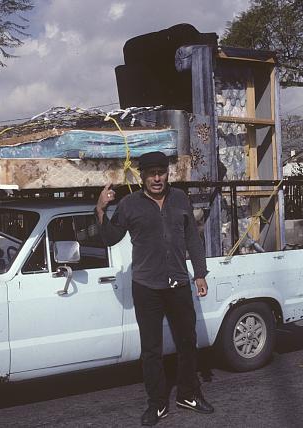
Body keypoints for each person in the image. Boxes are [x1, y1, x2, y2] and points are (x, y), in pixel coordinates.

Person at [95, 151, 214, 426]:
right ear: (142, 176)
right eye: (152, 174)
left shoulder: (180, 199)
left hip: (179, 283)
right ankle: (157, 404)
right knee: (151, 349)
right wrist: (101, 208)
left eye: (161, 172)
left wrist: (200, 274)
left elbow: (193, 240)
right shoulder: (129, 204)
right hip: (147, 286)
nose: (157, 178)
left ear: (167, 174)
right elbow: (110, 238)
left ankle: (188, 394)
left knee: (187, 342)